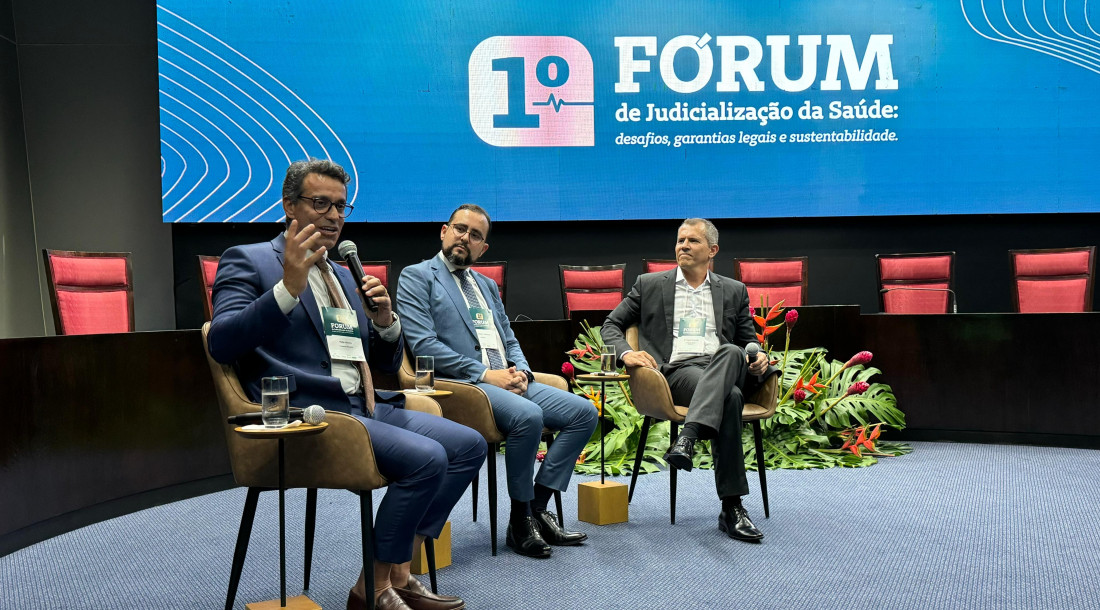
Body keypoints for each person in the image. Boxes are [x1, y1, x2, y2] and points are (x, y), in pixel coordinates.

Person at [208, 159, 486, 610]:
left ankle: (396, 573)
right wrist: (287, 289)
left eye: (341, 206)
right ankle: (372, 590)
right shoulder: (250, 260)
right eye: (321, 204)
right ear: (288, 206)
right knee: (428, 458)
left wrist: (385, 323)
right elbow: (221, 342)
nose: (335, 217)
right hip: (308, 415)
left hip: (365, 406)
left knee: (469, 445)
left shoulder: (342, 275)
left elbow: (381, 363)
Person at [396, 204, 598, 559]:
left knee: (583, 412)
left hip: (506, 379)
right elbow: (423, 345)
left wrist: (522, 372)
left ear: (483, 248)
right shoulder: (417, 276)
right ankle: (520, 522)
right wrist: (486, 374)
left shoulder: (487, 285)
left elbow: (508, 337)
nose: (465, 238)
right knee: (528, 416)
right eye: (460, 229)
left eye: (475, 235)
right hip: (462, 385)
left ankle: (535, 507)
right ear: (444, 231)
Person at [600, 218, 777, 543]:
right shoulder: (650, 284)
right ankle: (732, 507)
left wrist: (759, 358)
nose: (683, 246)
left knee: (731, 353)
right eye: (680, 240)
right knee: (732, 398)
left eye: (692, 241)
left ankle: (688, 437)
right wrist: (627, 354)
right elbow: (610, 326)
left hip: (725, 362)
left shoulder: (734, 290)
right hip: (679, 374)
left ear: (712, 250)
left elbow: (748, 343)